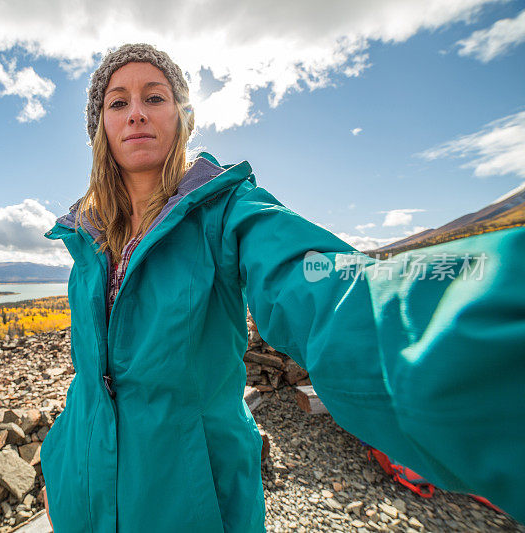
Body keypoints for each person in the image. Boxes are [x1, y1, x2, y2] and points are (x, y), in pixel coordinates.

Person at [40, 43, 525, 532]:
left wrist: (474, 332)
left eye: (155, 97)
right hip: (81, 490)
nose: (137, 113)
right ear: (99, 126)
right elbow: (91, 377)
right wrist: (62, 460)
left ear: (182, 115)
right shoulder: (89, 234)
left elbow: (324, 284)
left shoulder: (230, 211)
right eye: (118, 102)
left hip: (192, 497)